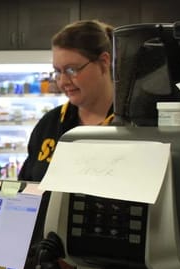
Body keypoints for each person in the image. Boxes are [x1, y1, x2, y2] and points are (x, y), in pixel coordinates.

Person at [18, 19, 115, 182]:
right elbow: (25, 186)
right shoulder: (49, 124)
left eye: (72, 70)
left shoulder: (136, 126)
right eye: (57, 71)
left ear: (104, 63)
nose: (62, 82)